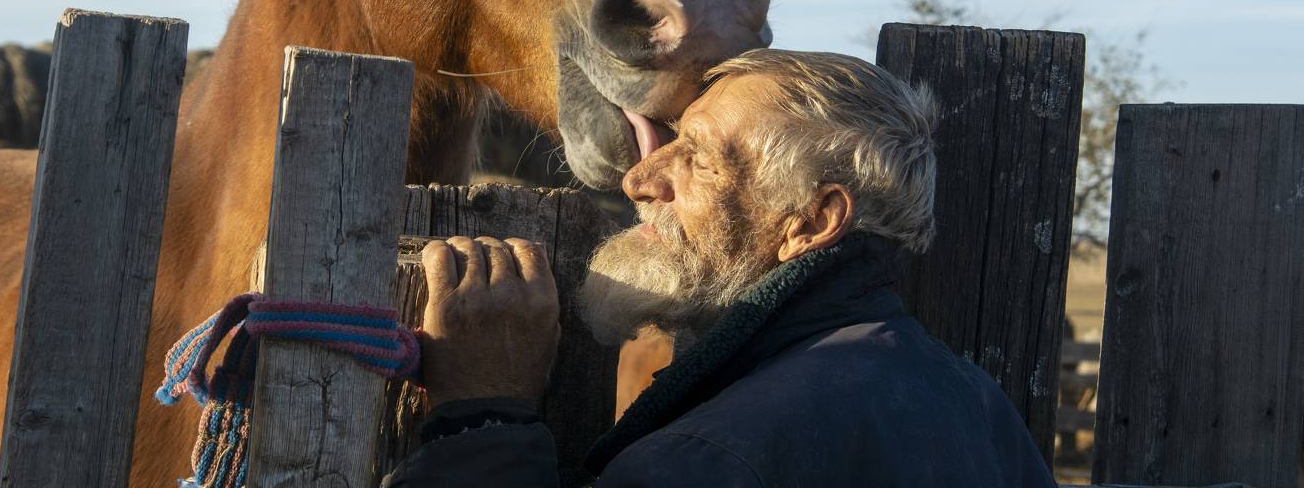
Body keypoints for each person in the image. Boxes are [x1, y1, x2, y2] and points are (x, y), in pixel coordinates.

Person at [387, 49, 1058, 487]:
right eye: (672, 140)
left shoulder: (712, 458)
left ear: (813, 220)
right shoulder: (978, 408)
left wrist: (483, 419)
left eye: (700, 156)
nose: (639, 179)